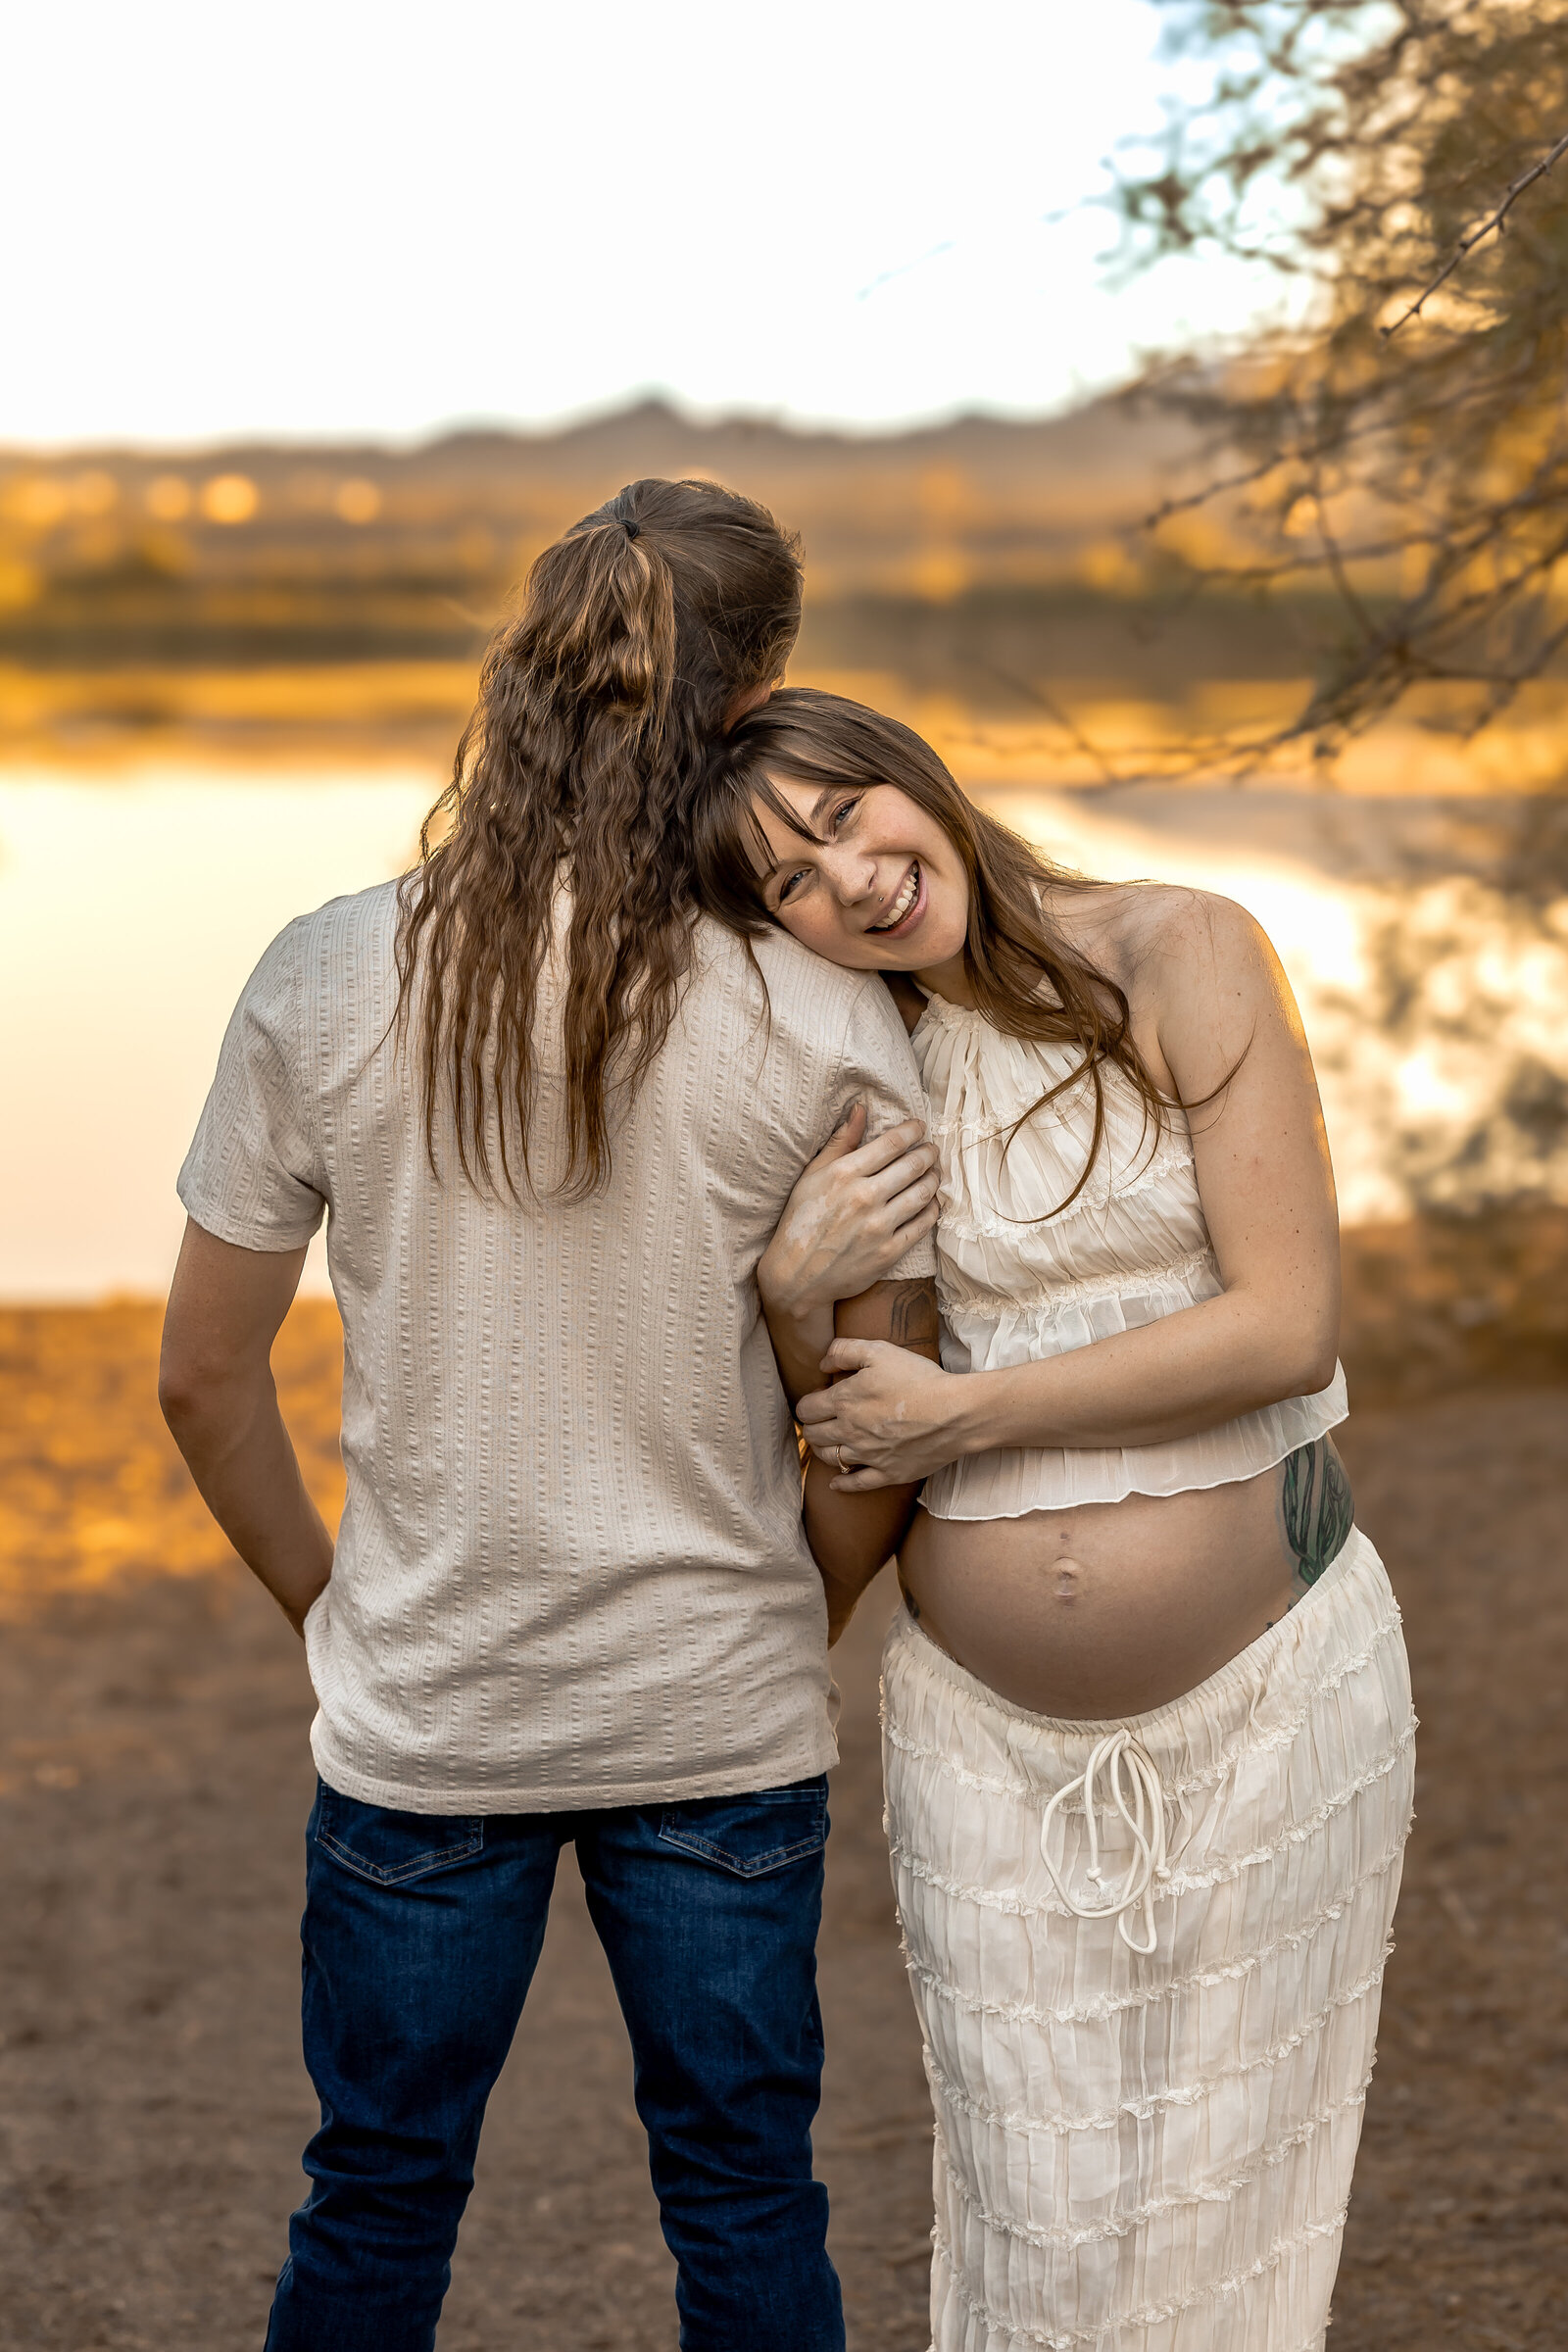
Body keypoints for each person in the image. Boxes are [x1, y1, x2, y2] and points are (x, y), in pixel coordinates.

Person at [157, 484, 944, 2352]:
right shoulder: (823, 1009)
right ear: (748, 706)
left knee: (376, 2195)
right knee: (749, 2199)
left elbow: (202, 1378)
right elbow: (887, 1427)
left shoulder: (325, 971)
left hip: (431, 1718)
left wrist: (331, 1614)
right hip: (721, 1716)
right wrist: (779, 1622)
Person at [695, 687, 1417, 2352]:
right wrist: (802, 1304)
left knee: (1227, 2207)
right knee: (1035, 2218)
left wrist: (974, 1416)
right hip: (981, 1743)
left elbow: (1282, 1325)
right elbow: (870, 1416)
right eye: (791, 882)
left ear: (915, 779)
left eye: (846, 815)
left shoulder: (1182, 950)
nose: (851, 879)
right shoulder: (856, 1070)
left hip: (1274, 1703)